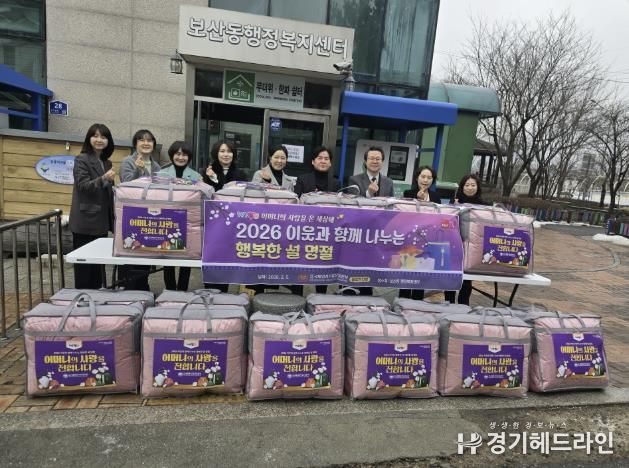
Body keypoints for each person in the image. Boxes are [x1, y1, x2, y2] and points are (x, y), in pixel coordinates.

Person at [69, 123, 116, 289]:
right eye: (95, 136)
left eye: (103, 137)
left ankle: (96, 295)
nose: (99, 140)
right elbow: (83, 186)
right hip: (85, 221)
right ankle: (83, 297)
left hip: (101, 221)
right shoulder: (81, 159)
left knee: (97, 265)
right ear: (89, 139)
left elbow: (108, 192)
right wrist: (104, 179)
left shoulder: (106, 162)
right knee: (84, 266)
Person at [118, 129, 161, 291]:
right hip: (132, 214)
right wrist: (138, 170)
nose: (146, 143)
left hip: (149, 215)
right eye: (142, 140)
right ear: (135, 144)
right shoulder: (128, 161)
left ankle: (143, 286)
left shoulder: (157, 166)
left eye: (149, 140)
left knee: (145, 252)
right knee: (130, 251)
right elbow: (126, 185)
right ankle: (127, 288)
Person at [157, 141, 202, 291]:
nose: (181, 157)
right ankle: (170, 290)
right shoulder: (162, 174)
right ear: (172, 155)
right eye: (178, 154)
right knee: (167, 258)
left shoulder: (196, 176)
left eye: (184, 155)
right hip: (167, 220)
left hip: (188, 221)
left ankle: (182, 291)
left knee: (186, 259)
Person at [444, 174, 489, 305]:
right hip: (455, 244)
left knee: (467, 279)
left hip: (474, 246)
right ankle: (448, 304)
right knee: (451, 276)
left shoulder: (484, 205)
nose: (470, 188)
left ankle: (464, 305)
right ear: (462, 187)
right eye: (467, 185)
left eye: (473, 185)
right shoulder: (454, 202)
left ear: (478, 187)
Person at [399, 165, 440, 300]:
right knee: (407, 275)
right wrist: (417, 200)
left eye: (429, 177)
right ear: (417, 178)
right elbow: (404, 216)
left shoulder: (436, 197)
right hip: (410, 241)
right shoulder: (408, 194)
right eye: (423, 176)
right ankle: (402, 303)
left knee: (421, 276)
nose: (425, 180)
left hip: (426, 242)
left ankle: (417, 304)